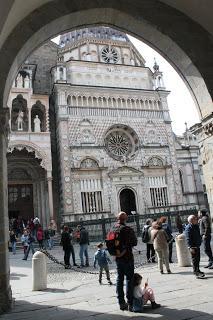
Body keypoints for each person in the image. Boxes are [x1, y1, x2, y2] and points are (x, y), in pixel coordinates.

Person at [114, 211, 138, 311]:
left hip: (118, 258)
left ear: (117, 218)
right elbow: (135, 242)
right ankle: (130, 302)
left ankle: (121, 302)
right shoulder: (127, 229)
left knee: (119, 279)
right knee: (129, 279)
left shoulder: (113, 229)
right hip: (127, 257)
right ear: (126, 219)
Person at [185, 215, 205, 279]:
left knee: (198, 259)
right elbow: (188, 238)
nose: (196, 220)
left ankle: (198, 270)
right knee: (195, 260)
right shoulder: (188, 227)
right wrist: (190, 247)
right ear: (191, 221)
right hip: (193, 246)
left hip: (197, 245)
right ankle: (196, 272)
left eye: (196, 219)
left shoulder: (195, 226)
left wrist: (200, 239)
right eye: (195, 219)